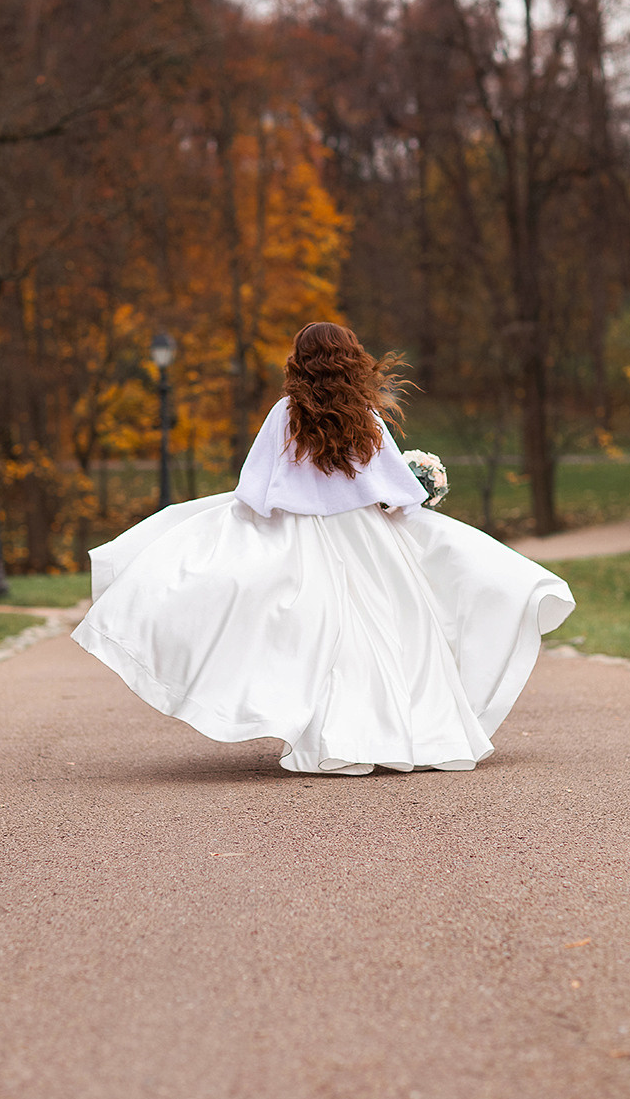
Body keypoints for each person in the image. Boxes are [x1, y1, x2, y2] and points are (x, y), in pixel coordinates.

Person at [72, 322, 574, 775]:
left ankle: (340, 743)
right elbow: (397, 491)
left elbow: (254, 489)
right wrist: (417, 489)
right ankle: (420, 735)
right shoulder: (365, 416)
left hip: (304, 536)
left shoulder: (285, 415)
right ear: (351, 359)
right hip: (368, 539)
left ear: (300, 362)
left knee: (326, 637)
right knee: (394, 630)